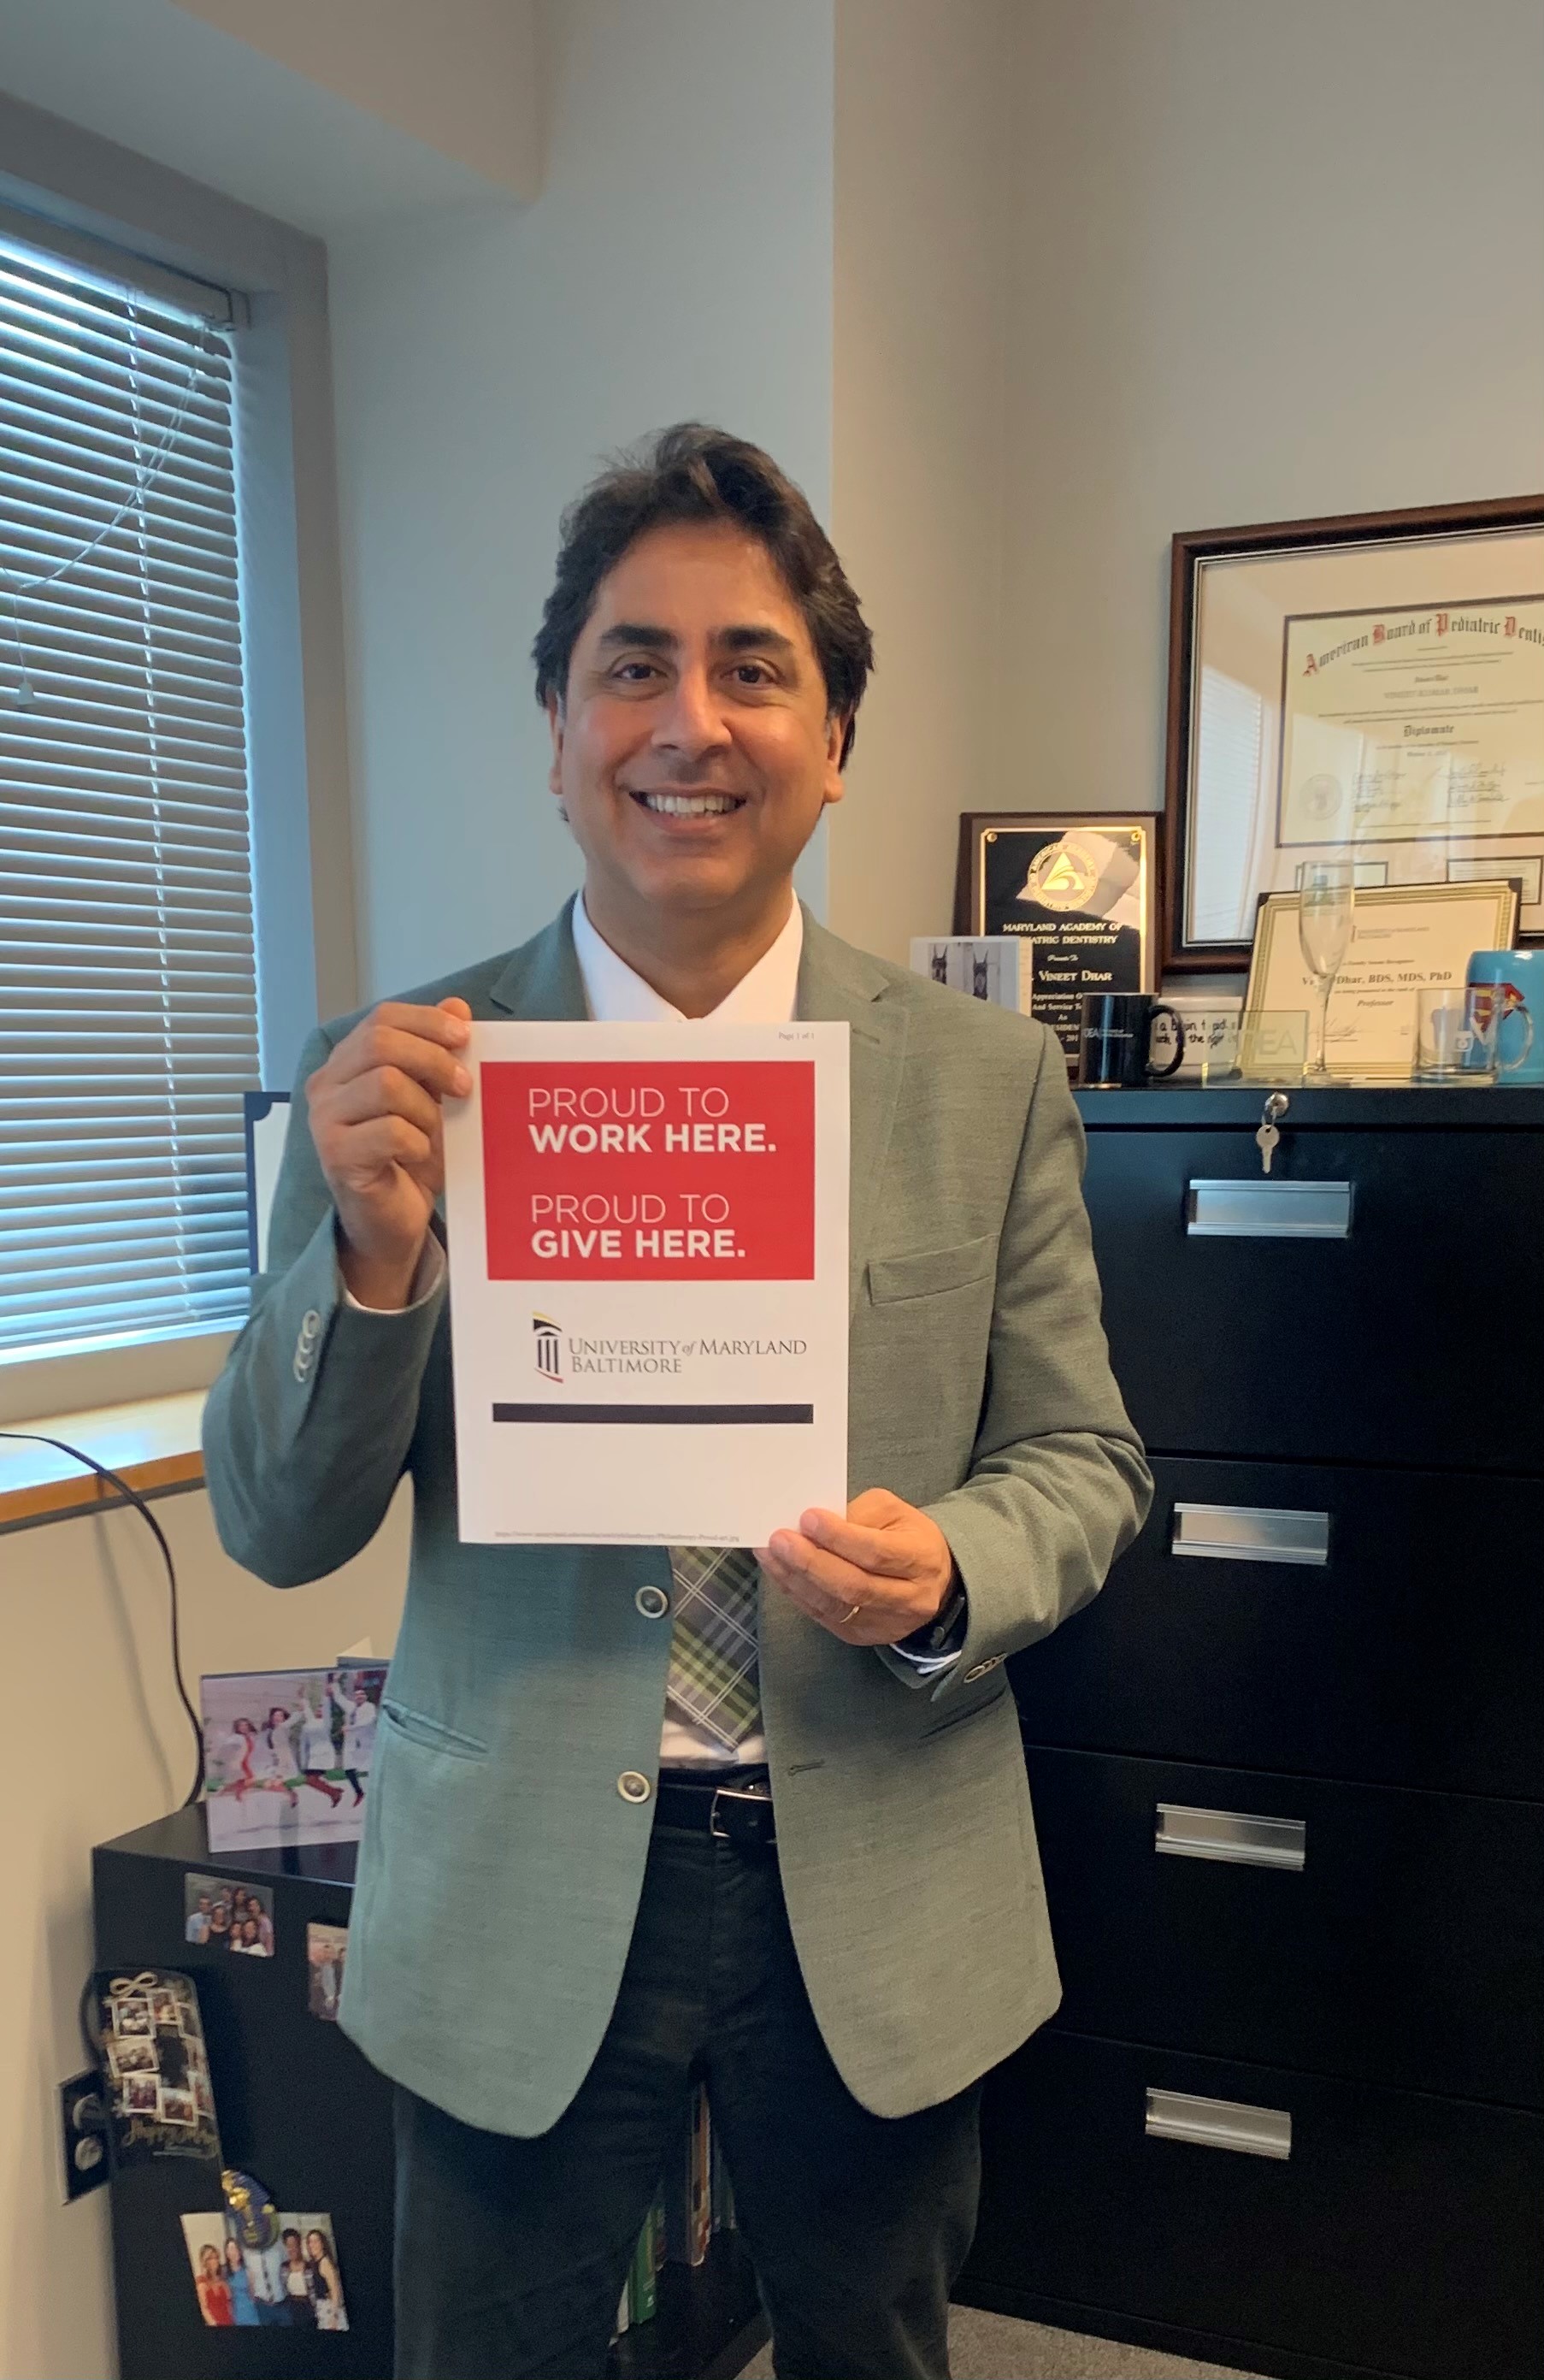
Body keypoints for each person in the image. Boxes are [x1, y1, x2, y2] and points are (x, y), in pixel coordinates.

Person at [204, 423, 1151, 2380]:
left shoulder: (983, 1082)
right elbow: (279, 1522)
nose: (688, 722)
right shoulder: (398, 1080)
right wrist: (369, 1256)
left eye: (752, 668)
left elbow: (1084, 1458)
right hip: (522, 1882)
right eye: (632, 664)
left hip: (873, 1868)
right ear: (557, 730)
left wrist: (951, 1563)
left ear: (835, 737)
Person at [307, 2228, 348, 2331]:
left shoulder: (325, 2263)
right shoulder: (314, 2263)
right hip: (321, 2308)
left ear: (322, 2244)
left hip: (329, 2308)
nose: (312, 2245)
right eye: (310, 2242)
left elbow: (335, 2291)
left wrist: (334, 2317)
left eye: (316, 2241)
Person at [280, 2228, 318, 2326]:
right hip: (292, 2309)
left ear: (299, 2245)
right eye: (289, 2246)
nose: (292, 2249)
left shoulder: (310, 2267)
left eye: (294, 2245)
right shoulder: (284, 2267)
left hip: (309, 2308)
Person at [222, 2234, 261, 2328]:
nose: (234, 2251)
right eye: (231, 2249)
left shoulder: (247, 2271)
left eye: (236, 2248)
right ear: (227, 2253)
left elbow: (252, 2296)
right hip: (235, 2315)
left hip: (251, 2313)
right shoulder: (224, 2272)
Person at [194, 2241, 233, 2327]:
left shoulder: (222, 2280)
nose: (215, 2261)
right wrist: (213, 2323)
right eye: (210, 2258)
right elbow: (204, 2308)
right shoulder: (201, 2282)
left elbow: (229, 2301)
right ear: (205, 2261)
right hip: (215, 2323)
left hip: (228, 2320)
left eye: (216, 2258)